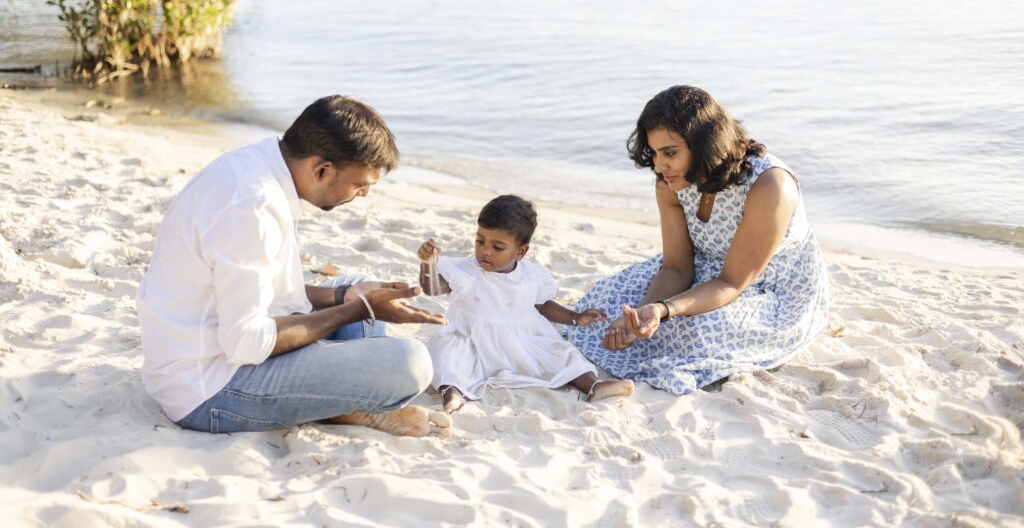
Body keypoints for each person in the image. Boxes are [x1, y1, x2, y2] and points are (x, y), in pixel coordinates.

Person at [136, 95, 451, 437]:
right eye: (360, 184)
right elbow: (247, 343)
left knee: (358, 283)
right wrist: (357, 310)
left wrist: (348, 295)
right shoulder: (253, 207)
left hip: (216, 344)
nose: (363, 195)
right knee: (410, 363)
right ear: (322, 170)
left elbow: (264, 290)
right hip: (208, 389)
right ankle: (345, 406)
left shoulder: (258, 166)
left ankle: (338, 398)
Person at [567, 85, 830, 394]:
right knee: (603, 308)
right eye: (653, 153)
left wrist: (664, 310)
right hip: (704, 267)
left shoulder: (769, 186)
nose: (658, 165)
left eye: (669, 152)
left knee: (696, 333)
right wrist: (640, 317)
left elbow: (731, 282)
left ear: (704, 143)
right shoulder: (671, 182)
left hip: (763, 284)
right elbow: (677, 268)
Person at [417, 195, 634, 414]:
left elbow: (542, 306)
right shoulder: (466, 271)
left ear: (520, 251)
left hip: (522, 342)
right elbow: (432, 289)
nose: (485, 251)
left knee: (562, 352)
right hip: (471, 340)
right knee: (448, 354)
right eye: (480, 241)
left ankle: (592, 385)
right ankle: (453, 393)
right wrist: (428, 266)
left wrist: (575, 317)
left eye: (497, 247)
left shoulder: (531, 276)